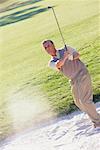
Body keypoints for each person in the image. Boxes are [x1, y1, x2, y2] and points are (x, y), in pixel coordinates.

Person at [42, 39, 100, 128]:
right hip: (73, 80)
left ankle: (97, 122)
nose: (47, 49)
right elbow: (59, 65)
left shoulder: (66, 48)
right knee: (78, 102)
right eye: (45, 48)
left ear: (53, 45)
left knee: (85, 101)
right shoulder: (51, 63)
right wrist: (65, 57)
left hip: (82, 74)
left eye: (49, 46)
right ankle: (93, 114)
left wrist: (70, 56)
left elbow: (77, 55)